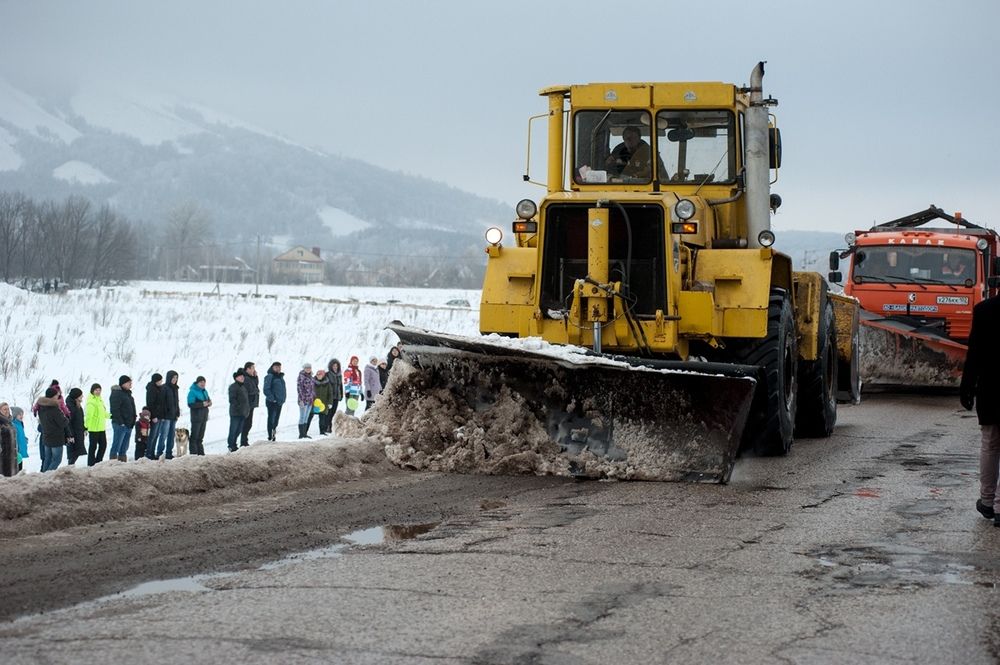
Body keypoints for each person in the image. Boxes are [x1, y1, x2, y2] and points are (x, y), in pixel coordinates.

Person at [961, 293, 1000, 527]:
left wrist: (967, 387)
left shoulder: (984, 309)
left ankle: (987, 501)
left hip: (991, 389)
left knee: (990, 443)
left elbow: (973, 353)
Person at [37, 387, 69, 472]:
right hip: (56, 438)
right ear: (53, 396)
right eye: (56, 396)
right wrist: (65, 417)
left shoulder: (41, 407)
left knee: (47, 459)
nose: (58, 397)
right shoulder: (54, 409)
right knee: (56, 460)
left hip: (46, 436)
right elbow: (63, 422)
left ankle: (42, 476)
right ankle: (46, 478)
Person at [109, 375, 137, 462]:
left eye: (131, 383)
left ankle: (122, 463)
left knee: (124, 446)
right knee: (117, 444)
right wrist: (121, 422)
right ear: (123, 383)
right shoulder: (117, 393)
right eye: (129, 383)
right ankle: (112, 463)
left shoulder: (128, 394)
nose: (130, 385)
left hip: (128, 424)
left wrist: (133, 420)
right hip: (120, 424)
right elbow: (115, 409)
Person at [154, 371, 180, 460]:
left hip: (173, 416)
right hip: (166, 416)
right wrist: (164, 415)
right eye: (173, 378)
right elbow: (162, 403)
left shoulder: (175, 388)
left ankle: (169, 453)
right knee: (163, 435)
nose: (175, 380)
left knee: (171, 435)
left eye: (176, 378)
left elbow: (176, 402)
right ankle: (159, 453)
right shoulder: (164, 388)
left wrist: (177, 412)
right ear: (169, 378)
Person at [84, 384, 109, 465]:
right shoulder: (91, 402)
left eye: (99, 390)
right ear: (92, 391)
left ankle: (98, 462)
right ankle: (91, 464)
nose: (98, 392)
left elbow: (103, 413)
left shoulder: (100, 400)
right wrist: (86, 427)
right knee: (93, 447)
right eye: (96, 390)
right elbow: (88, 416)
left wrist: (111, 416)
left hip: (101, 428)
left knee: (103, 446)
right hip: (93, 428)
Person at [187, 376, 212, 455]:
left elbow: (208, 400)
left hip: (204, 417)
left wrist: (209, 402)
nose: (203, 384)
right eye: (201, 382)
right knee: (194, 437)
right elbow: (190, 404)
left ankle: (201, 454)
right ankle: (194, 454)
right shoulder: (192, 391)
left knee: (200, 437)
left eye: (204, 382)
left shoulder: (204, 391)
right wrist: (202, 404)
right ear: (197, 383)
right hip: (196, 417)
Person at [228, 369, 250, 452]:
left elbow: (246, 400)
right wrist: (239, 407)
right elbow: (232, 400)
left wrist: (246, 410)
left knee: (239, 430)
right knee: (233, 430)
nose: (242, 378)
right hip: (236, 413)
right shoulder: (233, 387)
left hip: (243, 413)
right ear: (236, 378)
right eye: (240, 376)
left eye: (243, 376)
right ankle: (231, 445)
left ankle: (234, 444)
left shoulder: (243, 387)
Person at [263, 361, 286, 441]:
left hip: (279, 402)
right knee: (271, 419)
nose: (278, 369)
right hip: (272, 402)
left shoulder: (280, 377)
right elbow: (266, 389)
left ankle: (273, 433)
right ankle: (270, 436)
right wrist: (273, 399)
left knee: (276, 420)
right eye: (276, 367)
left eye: (279, 367)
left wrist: (282, 399)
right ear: (272, 367)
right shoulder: (270, 376)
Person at [144, 373, 164, 460]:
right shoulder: (151, 389)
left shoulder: (159, 388)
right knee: (152, 435)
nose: (161, 382)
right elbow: (150, 403)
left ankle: (152, 453)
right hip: (154, 416)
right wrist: (154, 416)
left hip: (159, 415)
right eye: (160, 381)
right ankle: (149, 453)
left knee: (156, 435)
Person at [240, 362, 259, 447]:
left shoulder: (250, 377)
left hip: (251, 404)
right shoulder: (245, 378)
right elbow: (250, 390)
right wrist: (256, 391)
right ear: (247, 369)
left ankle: (244, 441)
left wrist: (255, 377)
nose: (254, 370)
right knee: (246, 423)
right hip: (247, 404)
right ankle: (243, 442)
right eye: (252, 368)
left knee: (248, 423)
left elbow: (255, 385)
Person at [66, 388, 86, 465]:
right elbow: (69, 422)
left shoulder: (76, 404)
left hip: (78, 432)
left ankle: (70, 467)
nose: (82, 397)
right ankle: (69, 468)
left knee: (77, 452)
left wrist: (84, 428)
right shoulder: (70, 406)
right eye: (81, 396)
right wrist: (70, 435)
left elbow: (80, 418)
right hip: (73, 434)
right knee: (73, 453)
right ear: (76, 397)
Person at [297, 363, 315, 439]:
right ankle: (301, 434)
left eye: (309, 368)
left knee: (306, 417)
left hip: (310, 400)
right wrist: (301, 399)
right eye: (306, 368)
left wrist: (313, 397)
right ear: (304, 369)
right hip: (303, 400)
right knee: (302, 417)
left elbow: (312, 389)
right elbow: (299, 389)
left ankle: (305, 433)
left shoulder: (311, 377)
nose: (308, 369)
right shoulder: (301, 377)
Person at [313, 369, 334, 435]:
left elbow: (330, 393)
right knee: (310, 416)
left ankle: (322, 431)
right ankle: (304, 431)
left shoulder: (327, 383)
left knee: (322, 418)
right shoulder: (313, 382)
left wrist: (330, 402)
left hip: (324, 403)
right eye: (318, 375)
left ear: (323, 375)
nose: (319, 376)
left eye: (320, 375)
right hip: (314, 403)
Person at [0, 402, 16, 477]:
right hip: (3, 453)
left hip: (12, 452)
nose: (7, 411)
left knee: (12, 474)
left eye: (8, 409)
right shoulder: (1, 422)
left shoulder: (10, 421)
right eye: (4, 409)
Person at [11, 406, 28, 473]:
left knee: (20, 467)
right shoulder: (13, 425)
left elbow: (20, 435)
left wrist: (25, 439)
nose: (21, 416)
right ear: (15, 415)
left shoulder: (20, 424)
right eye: (19, 414)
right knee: (17, 469)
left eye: (22, 414)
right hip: (17, 450)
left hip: (20, 450)